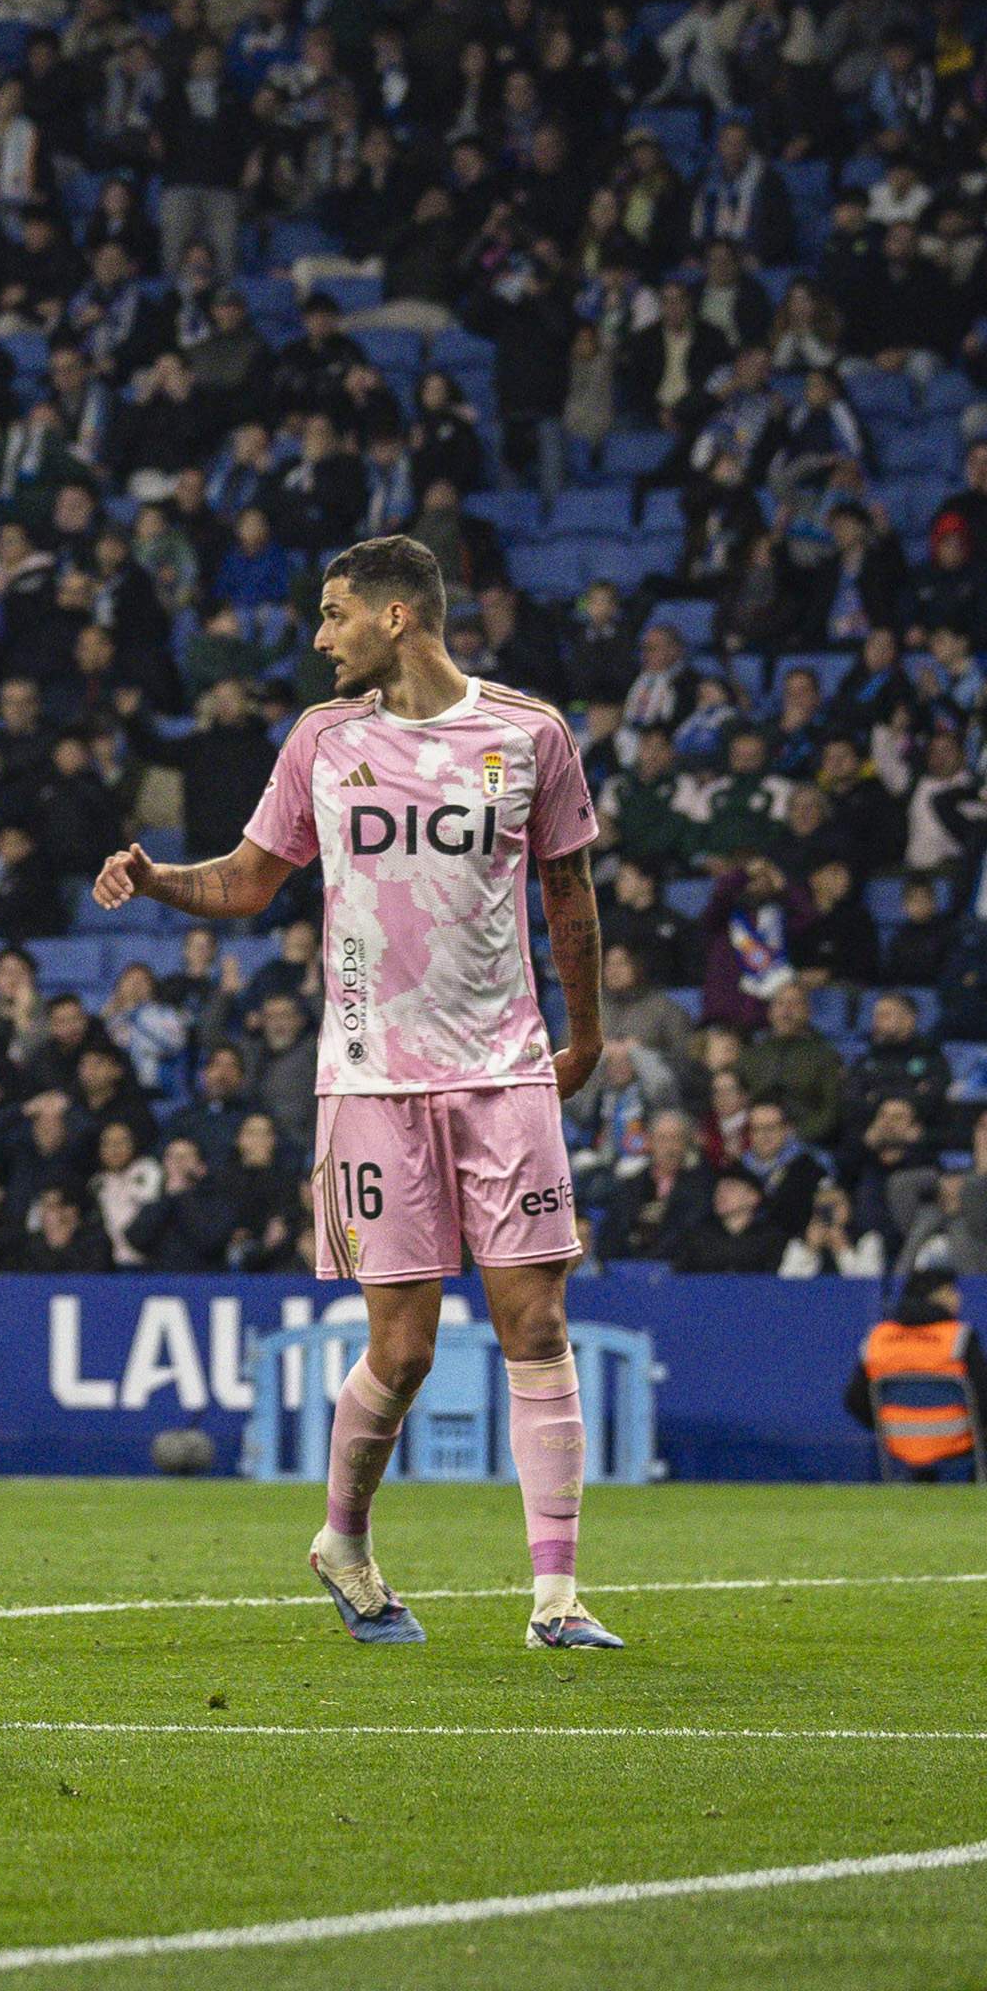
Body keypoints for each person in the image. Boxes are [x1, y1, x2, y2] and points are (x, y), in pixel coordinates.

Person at [91, 533, 621, 1653]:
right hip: (371, 1082)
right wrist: (158, 880)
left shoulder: (529, 734)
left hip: (502, 1067)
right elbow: (248, 880)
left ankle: (557, 1595)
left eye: (335, 614)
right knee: (406, 1347)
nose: (320, 637)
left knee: (536, 1318)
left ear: (396, 615)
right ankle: (343, 1539)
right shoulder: (323, 741)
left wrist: (586, 1032)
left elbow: (568, 890)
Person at [844, 1267, 987, 1481]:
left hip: (898, 1439)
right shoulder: (958, 1338)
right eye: (951, 1291)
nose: (958, 1297)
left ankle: (923, 1480)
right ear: (935, 1296)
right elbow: (983, 1396)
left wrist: (890, 1424)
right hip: (957, 1438)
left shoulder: (879, 1338)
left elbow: (854, 1400)